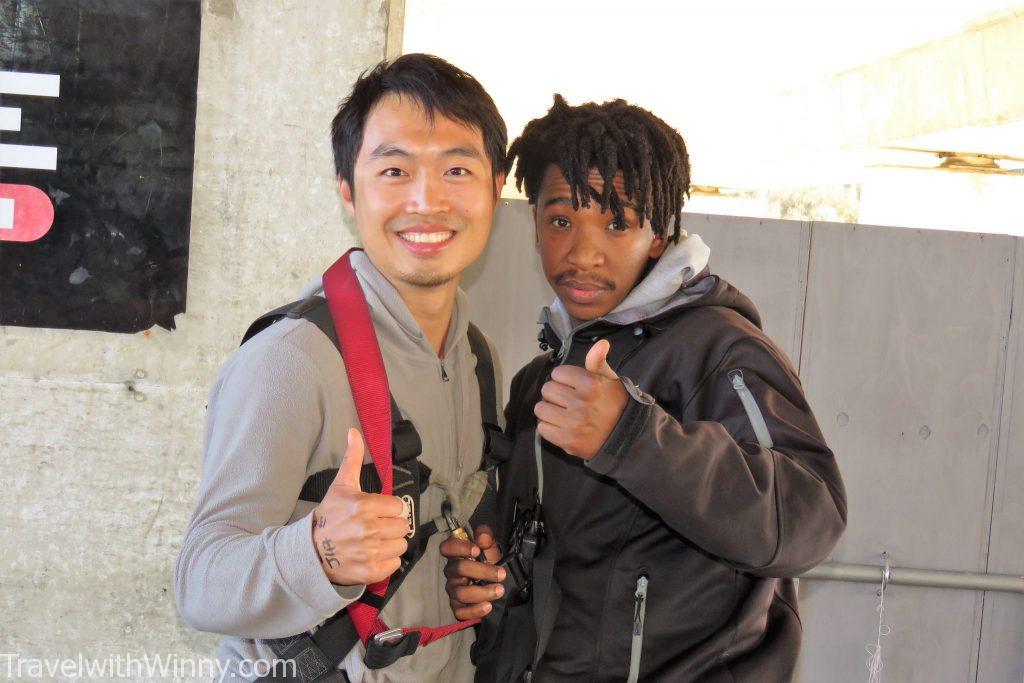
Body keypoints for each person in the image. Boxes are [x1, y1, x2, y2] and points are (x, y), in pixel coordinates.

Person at [441, 95, 847, 682]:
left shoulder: (718, 350)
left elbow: (811, 517)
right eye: (561, 220)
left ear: (658, 235)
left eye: (617, 222)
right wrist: (485, 577)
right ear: (533, 229)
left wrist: (633, 435)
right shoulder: (540, 381)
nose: (582, 253)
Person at [174, 53, 508, 682]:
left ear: (496, 188)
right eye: (394, 169)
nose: (426, 199)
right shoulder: (293, 357)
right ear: (348, 192)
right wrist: (320, 554)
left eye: (457, 169)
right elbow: (200, 581)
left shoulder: (475, 356)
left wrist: (464, 574)